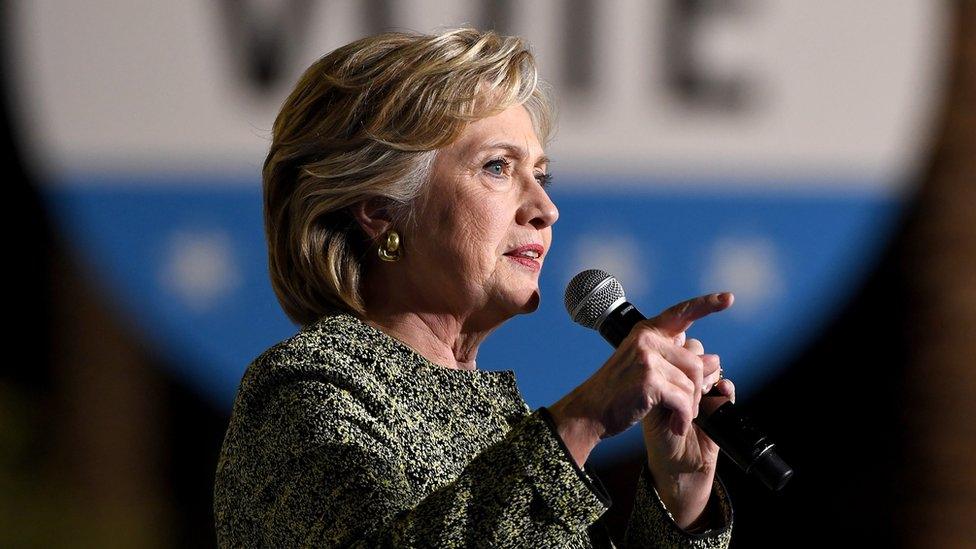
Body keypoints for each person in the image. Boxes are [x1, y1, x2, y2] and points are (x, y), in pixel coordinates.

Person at [213, 27, 737, 548]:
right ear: (379, 210)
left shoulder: (508, 431)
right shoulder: (303, 395)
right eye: (497, 167)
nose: (546, 210)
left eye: (541, 175)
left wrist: (681, 497)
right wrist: (582, 419)